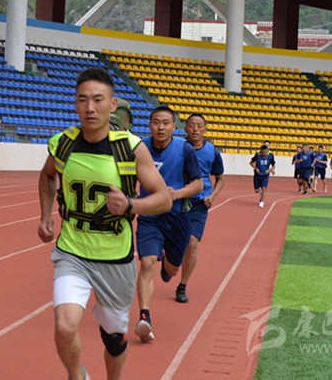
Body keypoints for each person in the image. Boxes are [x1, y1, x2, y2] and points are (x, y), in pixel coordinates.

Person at [38, 67, 173, 380]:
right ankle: (77, 376)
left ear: (112, 105)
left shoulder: (130, 148)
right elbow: (46, 175)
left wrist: (131, 205)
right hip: (72, 251)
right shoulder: (63, 144)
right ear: (75, 103)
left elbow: (164, 198)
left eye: (98, 100)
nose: (90, 107)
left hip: (115, 256)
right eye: (83, 99)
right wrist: (45, 215)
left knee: (113, 338)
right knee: (64, 326)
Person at [133, 106, 203, 341]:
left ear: (174, 126)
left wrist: (177, 193)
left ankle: (168, 266)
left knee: (171, 271)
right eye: (156, 122)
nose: (160, 127)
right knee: (146, 264)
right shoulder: (139, 148)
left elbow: (198, 184)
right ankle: (144, 317)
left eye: (165, 123)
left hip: (177, 217)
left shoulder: (184, 149)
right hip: (150, 217)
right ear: (149, 125)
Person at [176, 113, 224, 304]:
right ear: (185, 128)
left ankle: (182, 286)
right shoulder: (178, 147)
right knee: (174, 243)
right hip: (178, 200)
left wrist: (212, 196)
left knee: (192, 244)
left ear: (205, 128)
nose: (195, 129)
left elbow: (220, 178)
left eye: (199, 125)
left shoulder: (212, 152)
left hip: (199, 205)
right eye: (191, 125)